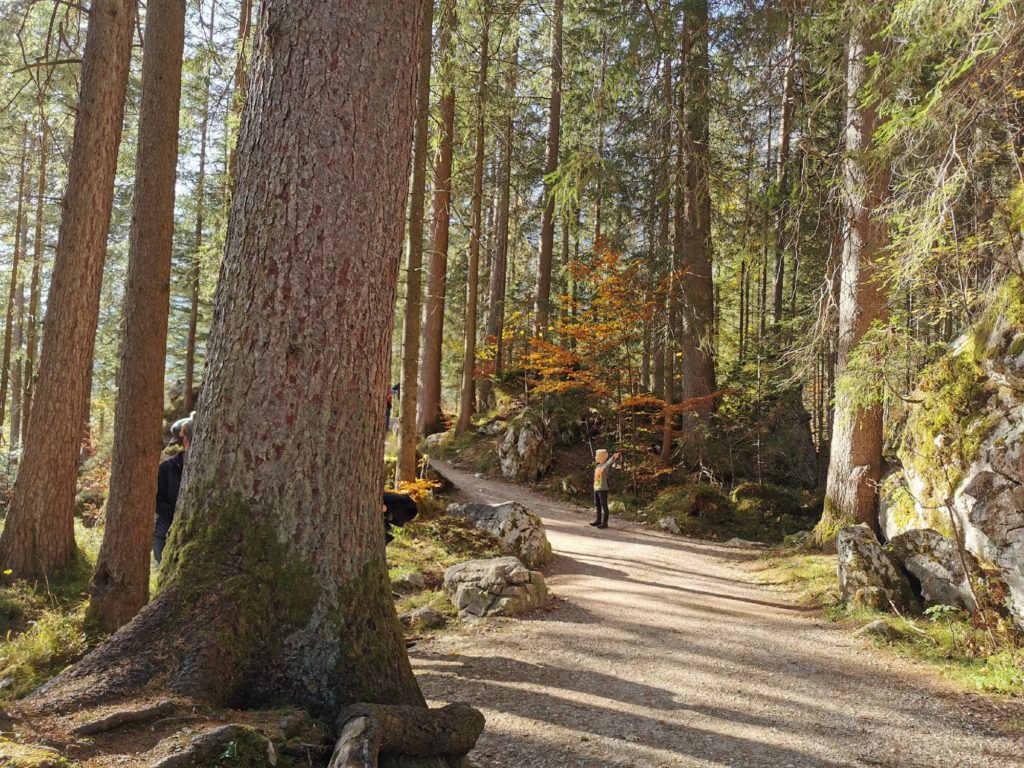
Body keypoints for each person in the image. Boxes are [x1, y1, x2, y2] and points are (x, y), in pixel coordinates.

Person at [154, 413, 194, 564]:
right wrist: (177, 514)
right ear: (185, 441)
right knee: (160, 536)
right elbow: (157, 500)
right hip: (169, 519)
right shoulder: (168, 467)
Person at [591, 448, 622, 529]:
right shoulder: (597, 466)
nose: (595, 457)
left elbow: (609, 462)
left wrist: (614, 457)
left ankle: (605, 523)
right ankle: (598, 520)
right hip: (596, 488)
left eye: (597, 456)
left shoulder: (605, 466)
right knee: (597, 504)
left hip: (603, 489)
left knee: (603, 505)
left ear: (601, 457)